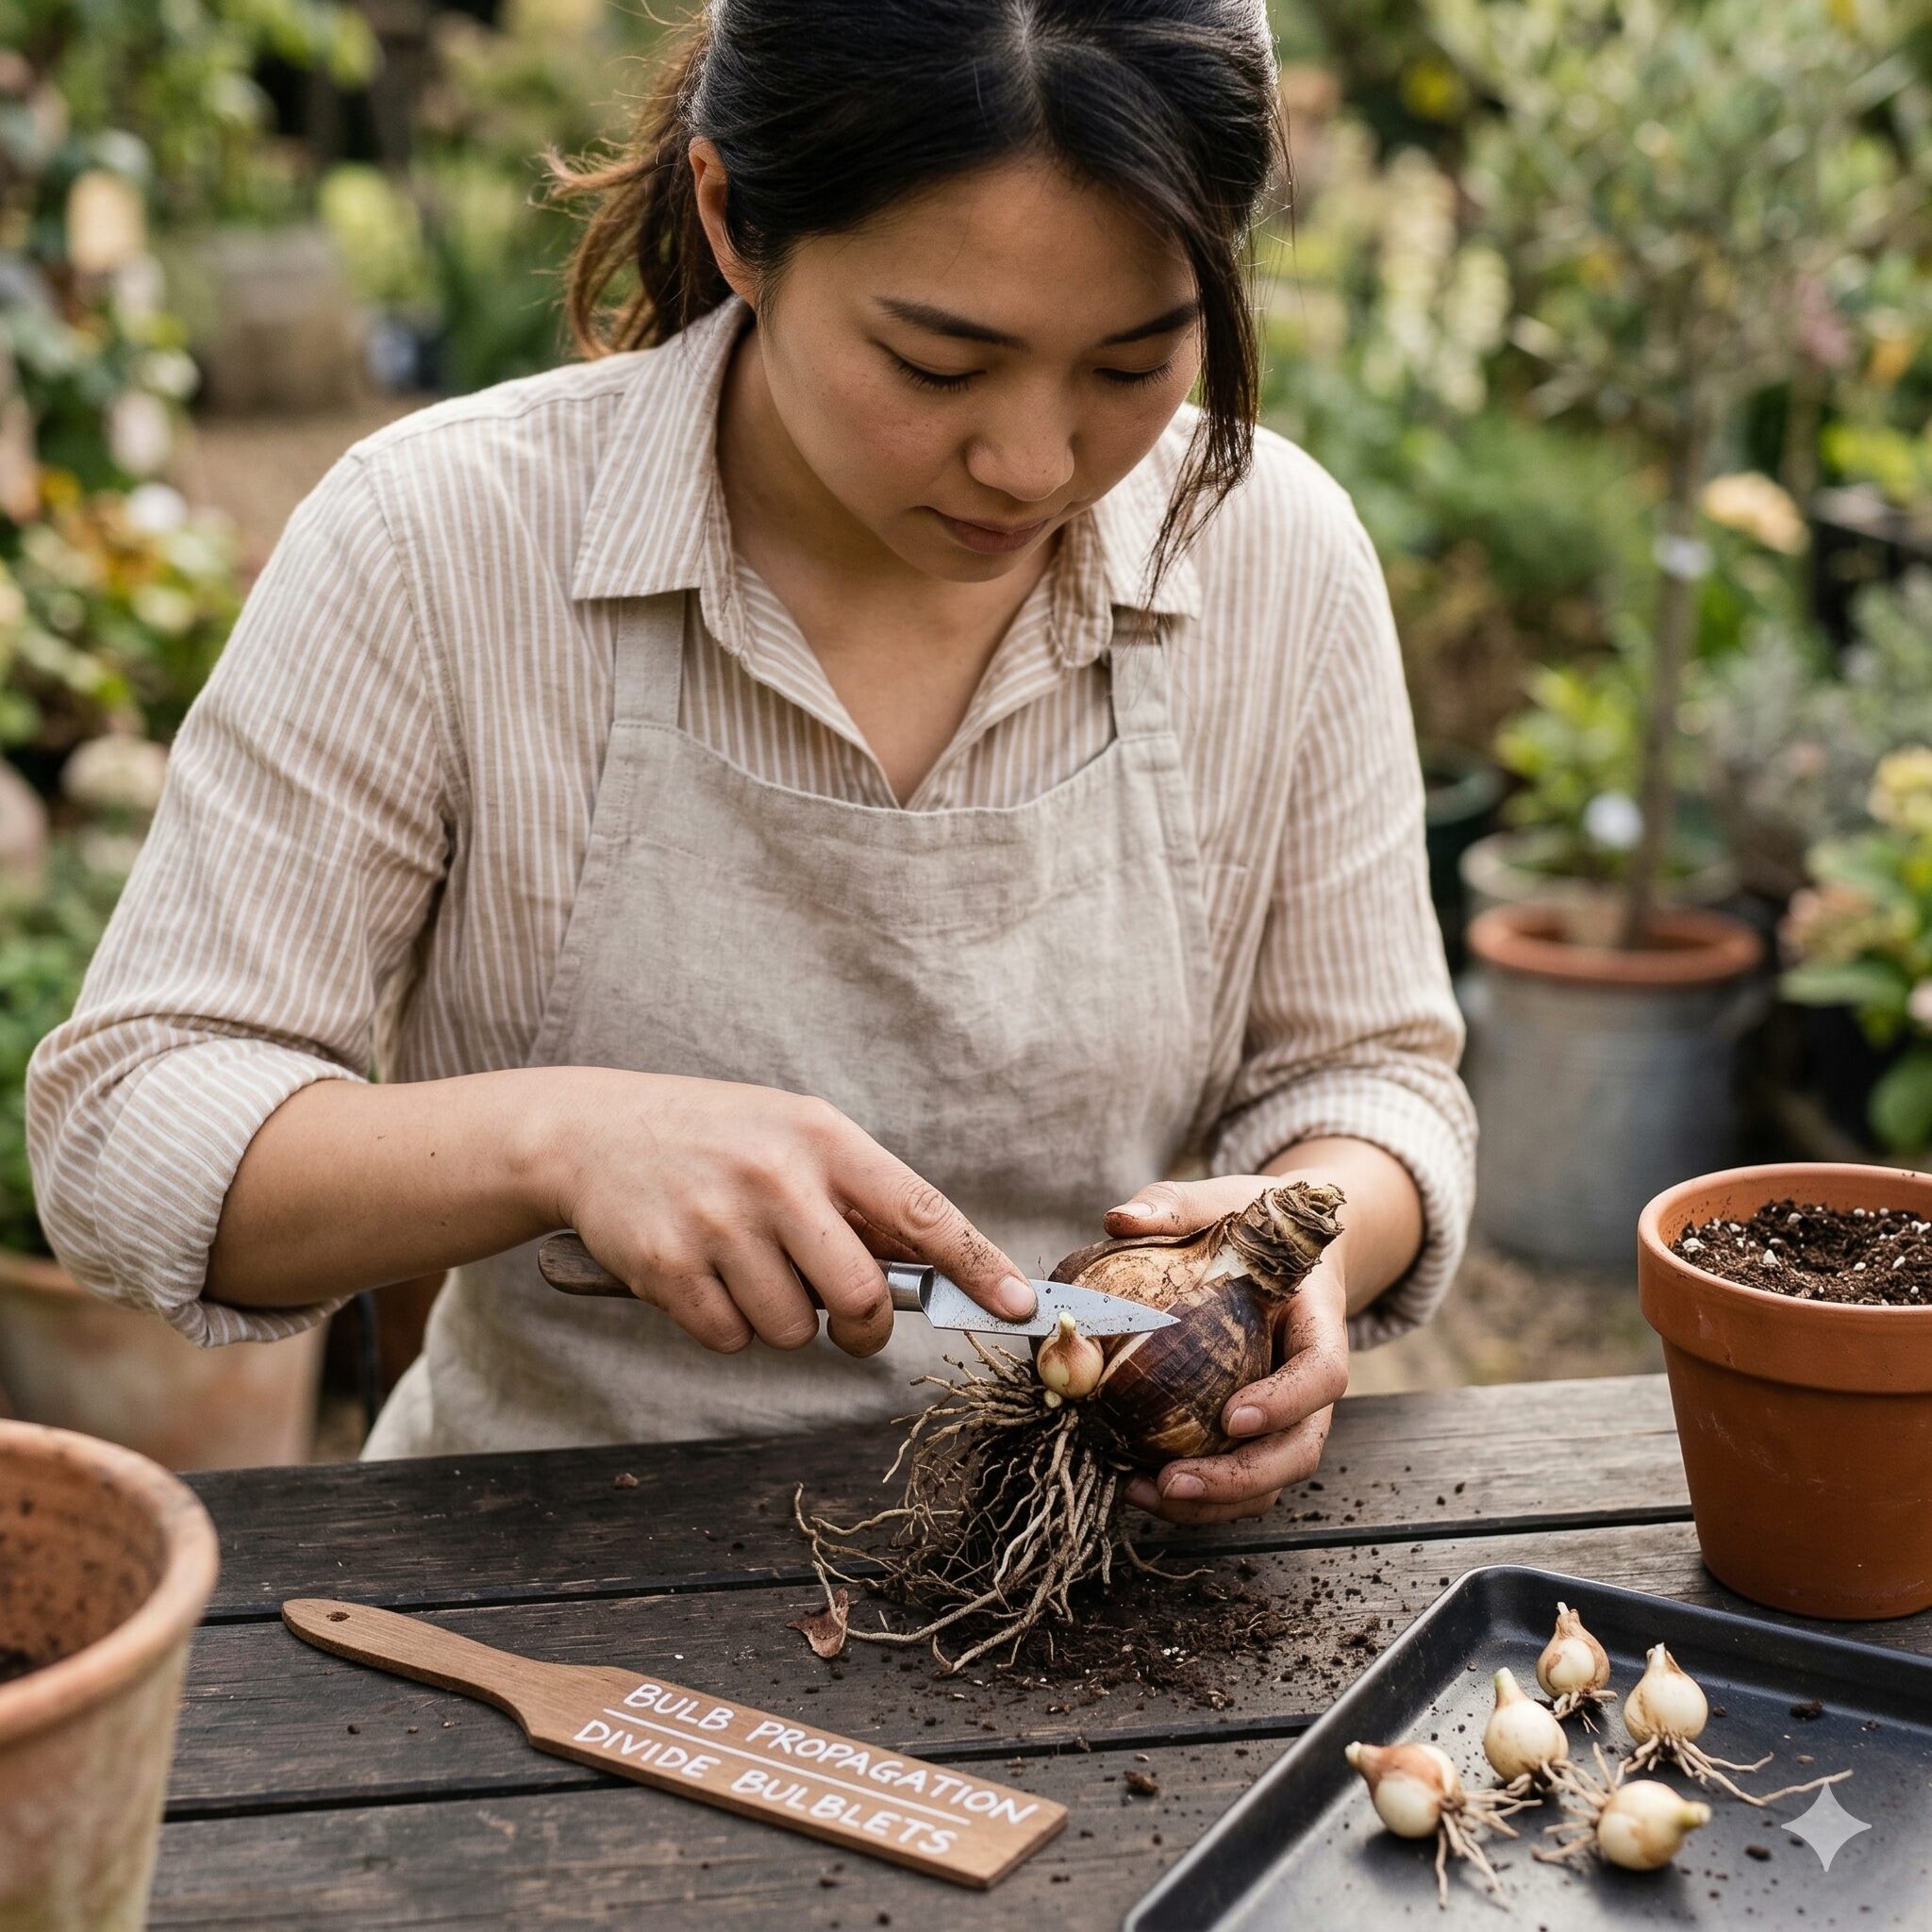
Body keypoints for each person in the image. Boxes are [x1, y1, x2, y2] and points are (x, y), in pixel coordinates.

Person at [26, 0, 1474, 1523]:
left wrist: (1295, 1247)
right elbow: (133, 1126)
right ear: (733, 218)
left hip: (1082, 1577)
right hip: (537, 1556)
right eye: (935, 363)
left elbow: (1371, 1082)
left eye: (1132, 363)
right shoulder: (440, 543)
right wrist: (559, 1137)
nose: (1033, 463)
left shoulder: (1272, 555)